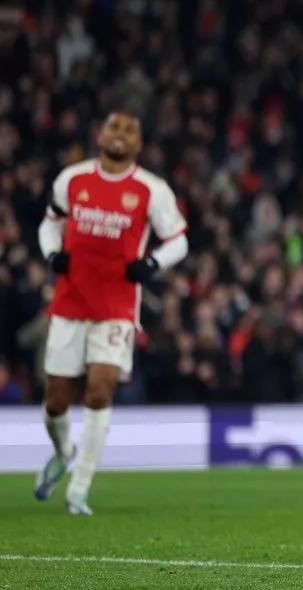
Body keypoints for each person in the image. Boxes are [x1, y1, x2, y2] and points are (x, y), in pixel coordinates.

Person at [34, 111, 189, 515]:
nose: (120, 135)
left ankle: (78, 490)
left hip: (116, 306)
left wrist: (152, 265)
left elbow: (178, 241)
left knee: (99, 390)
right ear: (99, 134)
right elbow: (48, 224)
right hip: (70, 301)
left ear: (138, 144)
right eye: (114, 127)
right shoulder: (73, 179)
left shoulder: (152, 190)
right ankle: (62, 450)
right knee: (55, 399)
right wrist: (53, 255)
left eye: (130, 130)